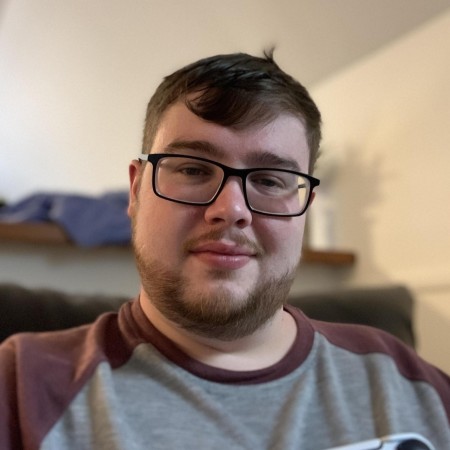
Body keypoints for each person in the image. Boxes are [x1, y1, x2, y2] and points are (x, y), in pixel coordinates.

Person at [0, 51, 449, 450]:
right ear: (136, 191)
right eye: (193, 170)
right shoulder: (20, 387)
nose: (231, 210)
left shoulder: (406, 379)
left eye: (269, 180)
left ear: (305, 207)